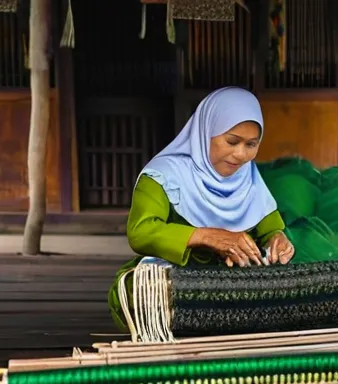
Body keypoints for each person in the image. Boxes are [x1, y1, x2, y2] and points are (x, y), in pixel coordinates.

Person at [108, 86, 294, 331]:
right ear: (205, 131)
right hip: (175, 281)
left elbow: (271, 230)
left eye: (251, 144)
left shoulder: (248, 177)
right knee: (142, 295)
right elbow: (140, 232)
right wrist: (207, 236)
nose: (240, 154)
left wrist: (278, 243)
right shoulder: (163, 175)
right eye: (231, 141)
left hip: (233, 283)